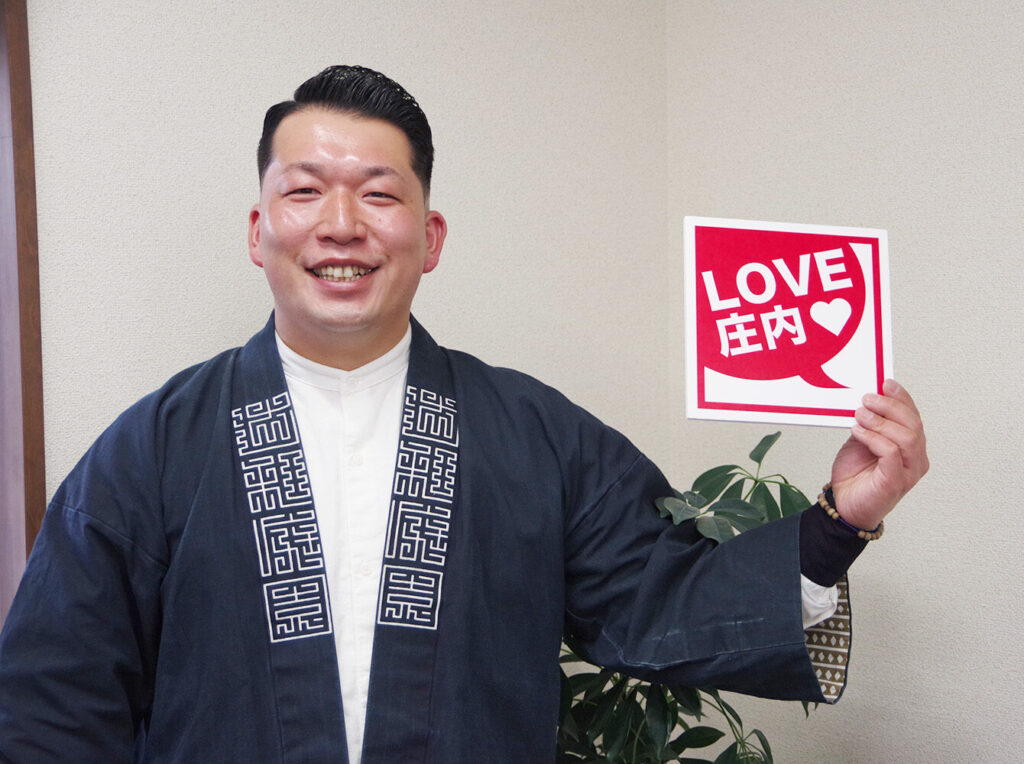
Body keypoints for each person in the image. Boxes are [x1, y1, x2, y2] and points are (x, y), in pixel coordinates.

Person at [0, 66, 928, 763]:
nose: (341, 223)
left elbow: (661, 596)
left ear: (430, 236)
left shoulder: (536, 435)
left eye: (379, 193)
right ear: (258, 230)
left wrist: (839, 522)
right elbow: (55, 700)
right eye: (304, 190)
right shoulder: (151, 449)